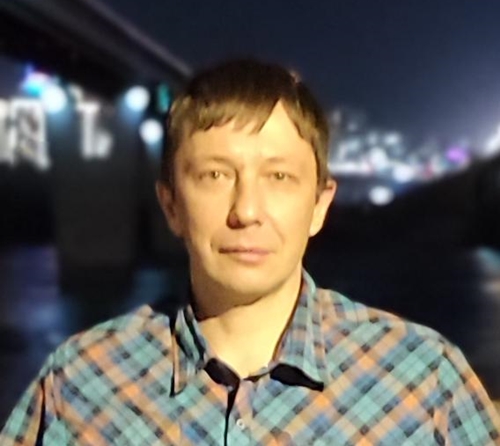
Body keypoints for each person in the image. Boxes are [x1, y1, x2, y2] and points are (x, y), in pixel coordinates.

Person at [1, 59, 499, 445]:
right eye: (215, 175)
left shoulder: (422, 381)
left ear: (320, 205)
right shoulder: (81, 382)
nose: (246, 210)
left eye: (279, 177)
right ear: (171, 206)